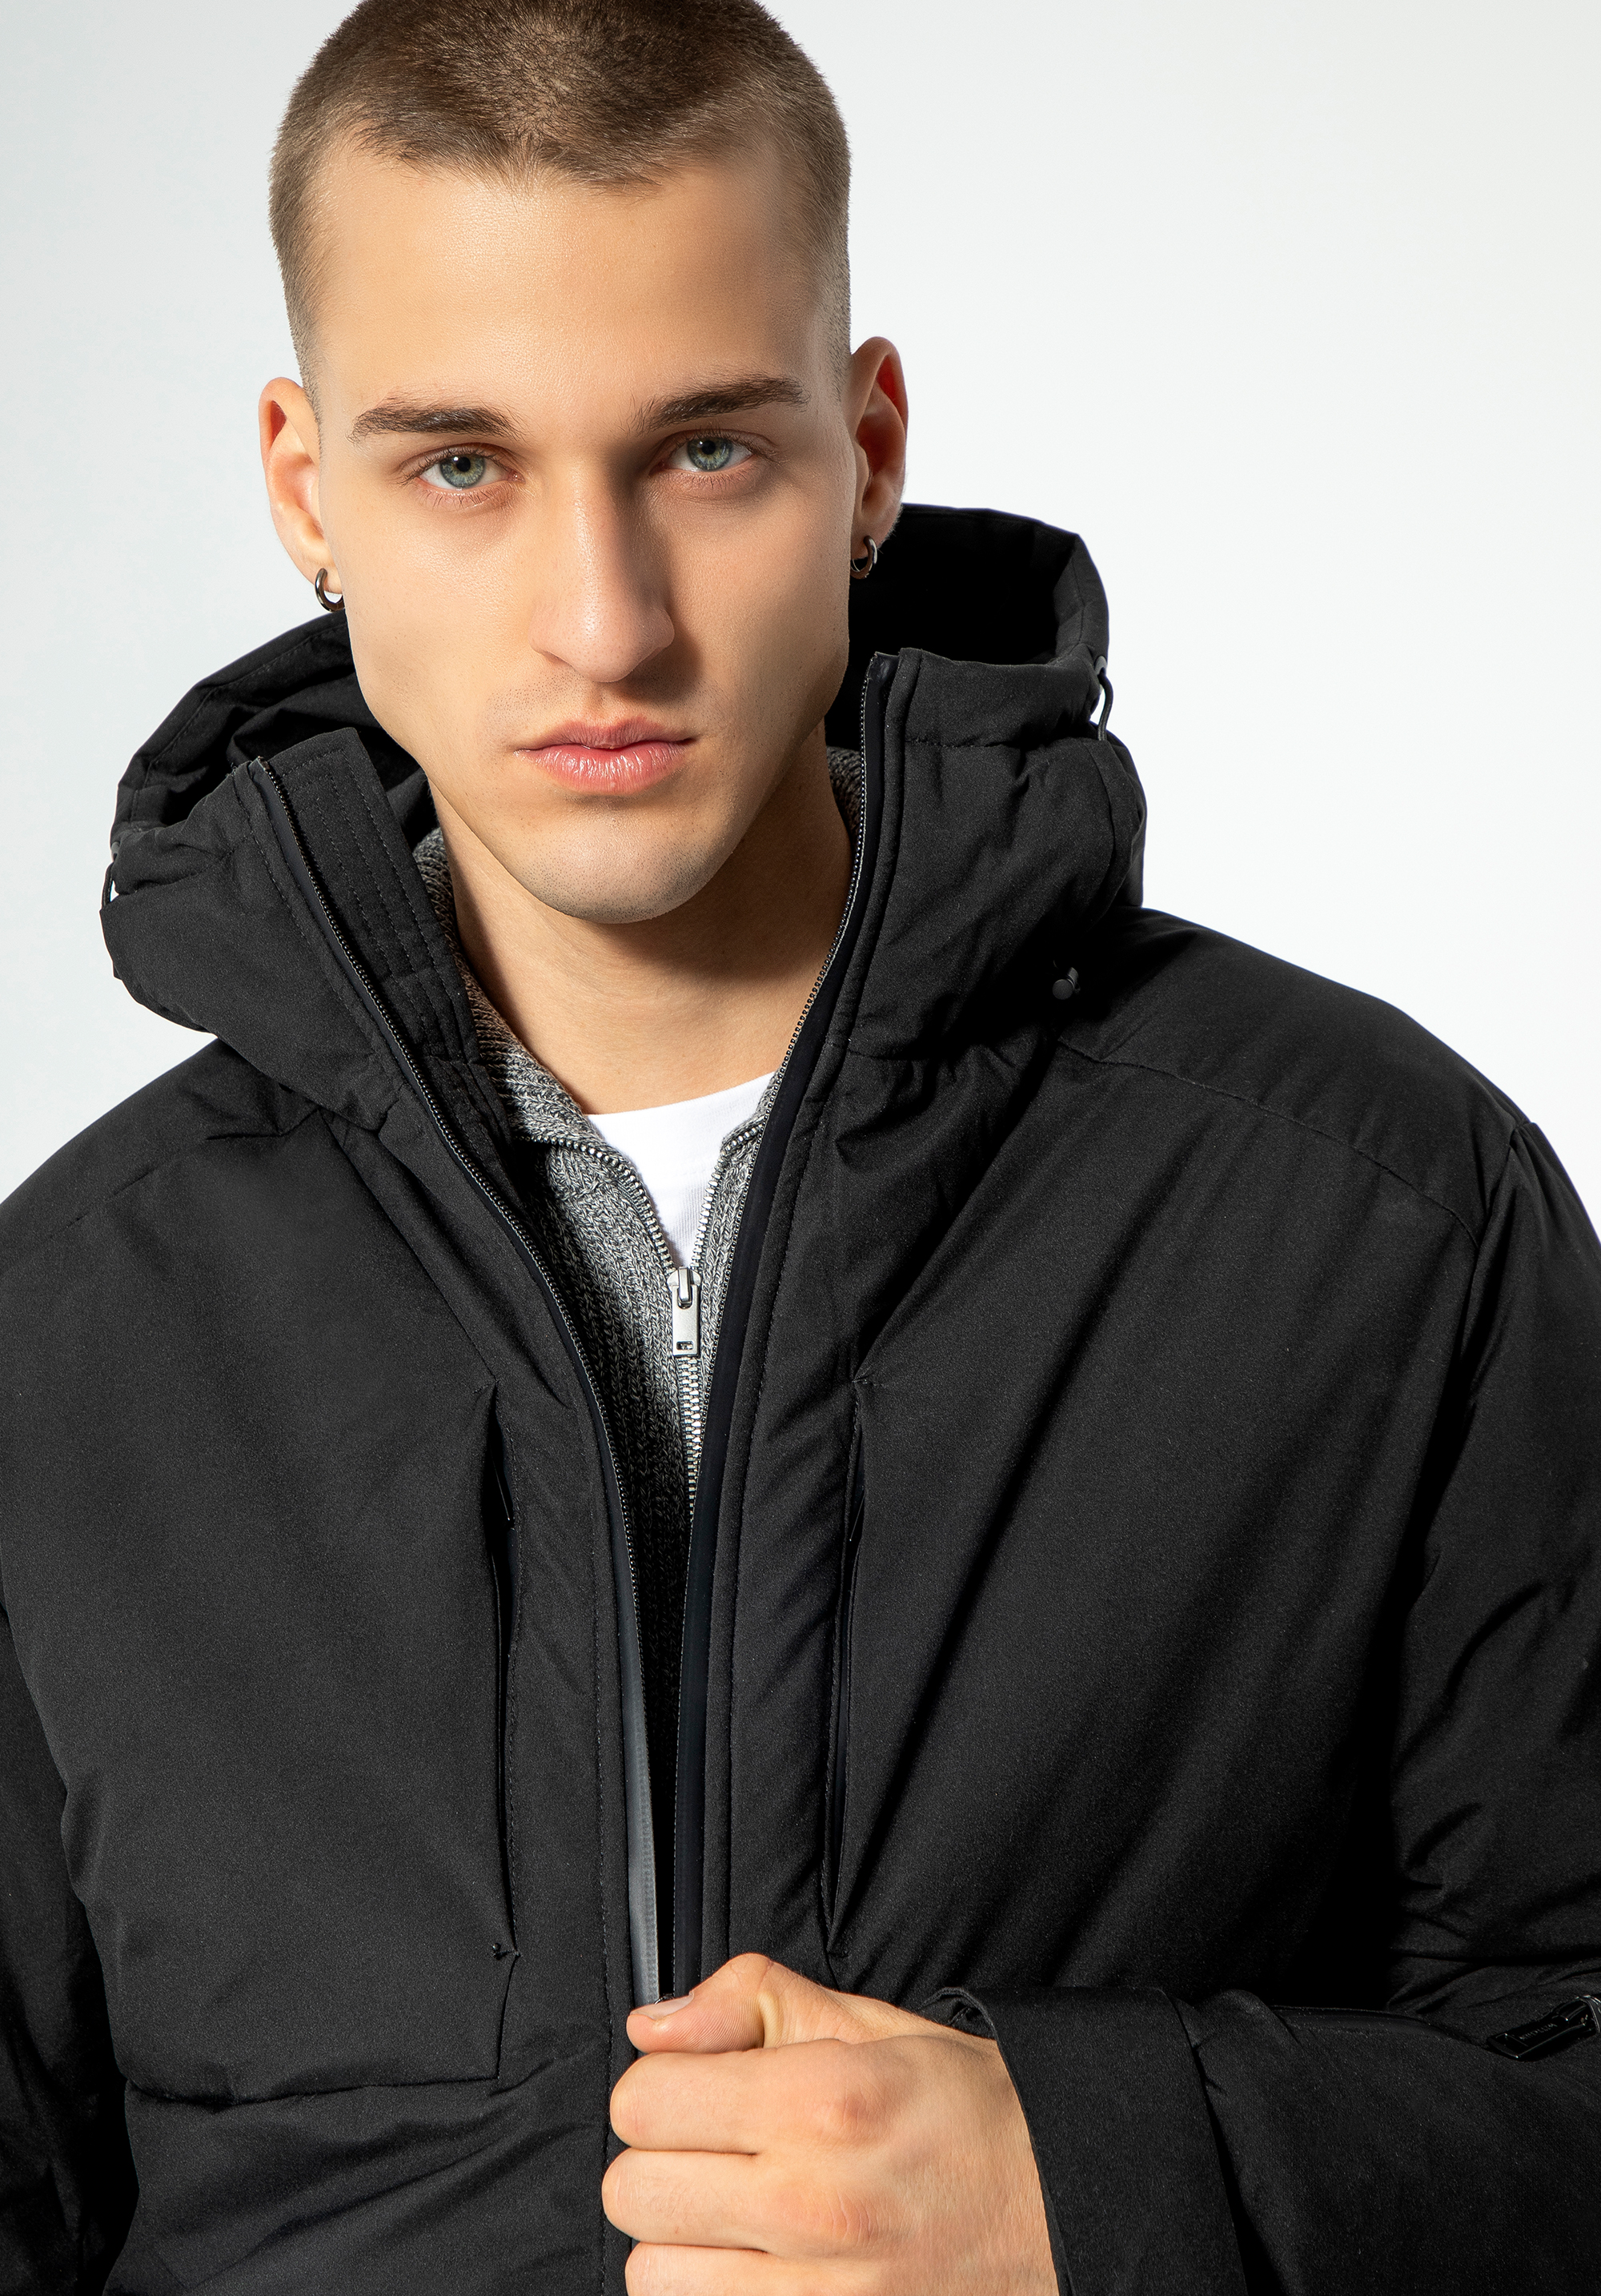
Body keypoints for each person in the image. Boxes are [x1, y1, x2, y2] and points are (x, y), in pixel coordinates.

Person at [2, 0, 1599, 2286]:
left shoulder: (1385, 1214)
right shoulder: (60, 1338)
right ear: (303, 488)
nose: (603, 623)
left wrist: (1097, 2173)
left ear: (868, 458)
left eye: (707, 454)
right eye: (460, 465)